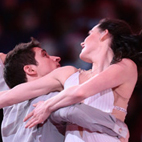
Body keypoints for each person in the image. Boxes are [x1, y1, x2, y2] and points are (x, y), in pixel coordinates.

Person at [1, 18, 141, 141]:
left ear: (104, 34)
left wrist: (48, 105)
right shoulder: (68, 73)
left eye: (89, 34)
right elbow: (11, 95)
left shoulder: (126, 66)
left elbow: (80, 92)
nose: (82, 42)